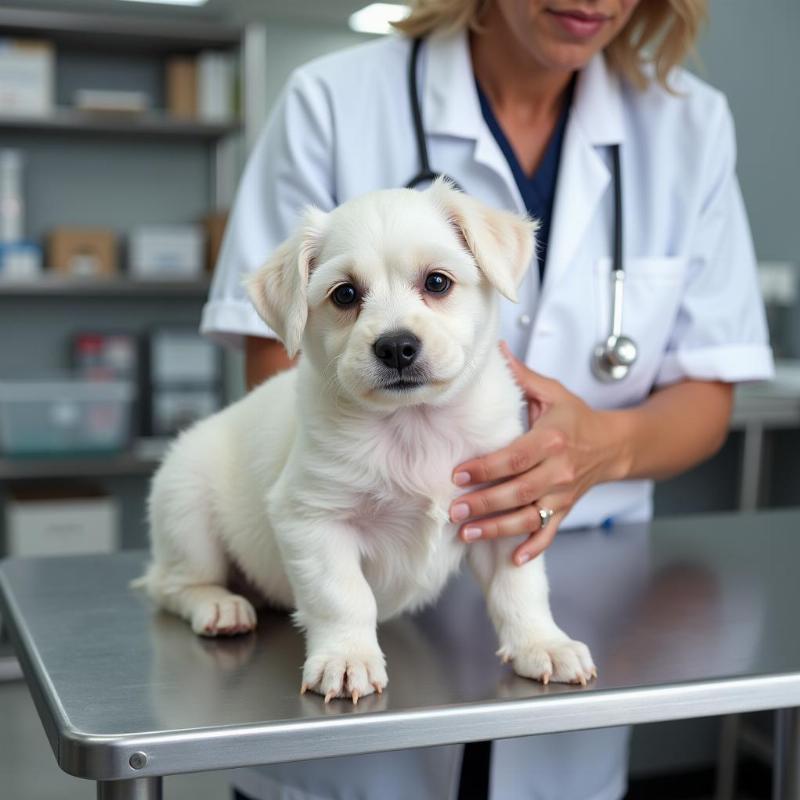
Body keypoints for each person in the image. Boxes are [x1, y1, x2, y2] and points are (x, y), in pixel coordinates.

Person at [201, 0, 773, 797]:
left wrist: (599, 449)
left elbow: (711, 391)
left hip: (580, 573)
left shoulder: (690, 123)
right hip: (361, 572)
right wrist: (381, 487)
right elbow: (280, 355)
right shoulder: (331, 97)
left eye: (436, 284)